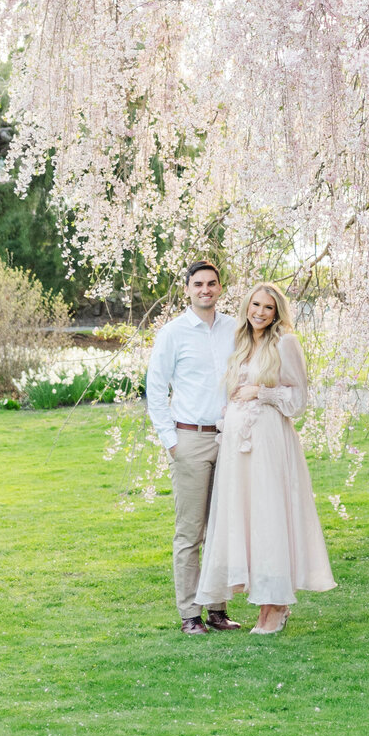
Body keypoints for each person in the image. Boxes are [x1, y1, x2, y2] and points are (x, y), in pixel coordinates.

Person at [195, 281, 336, 635]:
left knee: (269, 516)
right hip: (238, 448)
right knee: (247, 518)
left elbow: (298, 399)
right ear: (247, 307)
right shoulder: (242, 343)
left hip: (270, 442)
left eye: (268, 307)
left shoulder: (284, 342)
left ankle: (273, 606)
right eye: (255, 305)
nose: (260, 312)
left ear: (277, 313)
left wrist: (262, 391)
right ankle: (268, 599)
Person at [145, 260, 242, 635]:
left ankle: (218, 610)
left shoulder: (234, 328)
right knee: (190, 532)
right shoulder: (172, 334)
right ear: (187, 289)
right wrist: (172, 443)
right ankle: (190, 614)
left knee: (222, 528)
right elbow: (155, 391)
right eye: (198, 284)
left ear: (220, 288)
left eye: (212, 283)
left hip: (230, 438)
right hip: (190, 439)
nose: (205, 289)